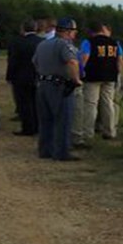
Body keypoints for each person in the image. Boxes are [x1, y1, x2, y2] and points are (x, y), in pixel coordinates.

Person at [32, 17, 83, 161]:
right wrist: (76, 80)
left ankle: (45, 150)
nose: (75, 34)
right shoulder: (65, 44)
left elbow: (35, 62)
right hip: (59, 85)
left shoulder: (43, 44)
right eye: (74, 31)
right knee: (63, 119)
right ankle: (62, 152)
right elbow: (72, 62)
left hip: (42, 84)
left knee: (45, 120)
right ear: (68, 31)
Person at [73, 22, 123, 148]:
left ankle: (88, 132)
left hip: (93, 77)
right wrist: (117, 73)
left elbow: (84, 57)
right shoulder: (114, 42)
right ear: (102, 29)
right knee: (108, 103)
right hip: (110, 77)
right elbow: (120, 59)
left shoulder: (88, 42)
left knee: (91, 104)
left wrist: (80, 72)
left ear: (91, 31)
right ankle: (110, 130)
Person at [6, 19, 44, 136]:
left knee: (24, 103)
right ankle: (38, 126)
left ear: (23, 29)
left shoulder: (16, 42)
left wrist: (9, 76)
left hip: (21, 77)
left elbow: (12, 61)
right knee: (36, 102)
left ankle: (28, 127)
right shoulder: (42, 42)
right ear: (35, 28)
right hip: (38, 76)